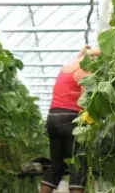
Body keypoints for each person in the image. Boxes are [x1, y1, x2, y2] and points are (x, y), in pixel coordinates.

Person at [40, 45, 100, 193]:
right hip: (69, 118)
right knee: (78, 164)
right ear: (89, 58)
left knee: (56, 166)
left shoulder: (67, 67)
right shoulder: (84, 68)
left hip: (52, 118)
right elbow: (87, 97)